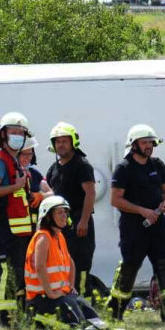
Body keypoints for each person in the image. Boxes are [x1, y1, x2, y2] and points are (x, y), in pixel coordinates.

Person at [107, 124, 165, 323]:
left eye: (150, 143)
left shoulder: (157, 165)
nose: (148, 146)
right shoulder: (124, 168)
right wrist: (142, 210)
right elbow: (115, 200)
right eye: (144, 143)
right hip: (134, 229)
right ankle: (114, 313)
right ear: (133, 145)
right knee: (129, 268)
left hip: (159, 227)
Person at [0, 112, 36, 327]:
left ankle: (14, 316)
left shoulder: (13, 160)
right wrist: (16, 186)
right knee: (5, 272)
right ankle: (3, 321)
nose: (18, 136)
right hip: (5, 226)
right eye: (14, 132)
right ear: (3, 134)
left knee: (15, 270)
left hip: (17, 229)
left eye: (21, 133)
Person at [24, 195, 105, 330]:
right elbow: (40, 266)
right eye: (60, 212)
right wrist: (50, 293)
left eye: (65, 212)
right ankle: (36, 319)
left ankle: (99, 329)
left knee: (87, 311)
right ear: (48, 216)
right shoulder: (43, 237)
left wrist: (70, 286)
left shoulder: (59, 236)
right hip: (41, 299)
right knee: (76, 325)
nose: (64, 216)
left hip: (59, 295)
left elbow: (70, 263)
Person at [46, 122, 96, 296]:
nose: (61, 145)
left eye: (64, 141)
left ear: (73, 142)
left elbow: (90, 193)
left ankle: (85, 305)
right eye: (58, 141)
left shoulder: (81, 164)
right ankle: (67, 302)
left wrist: (83, 221)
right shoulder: (54, 168)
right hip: (59, 225)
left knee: (81, 264)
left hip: (78, 222)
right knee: (61, 263)